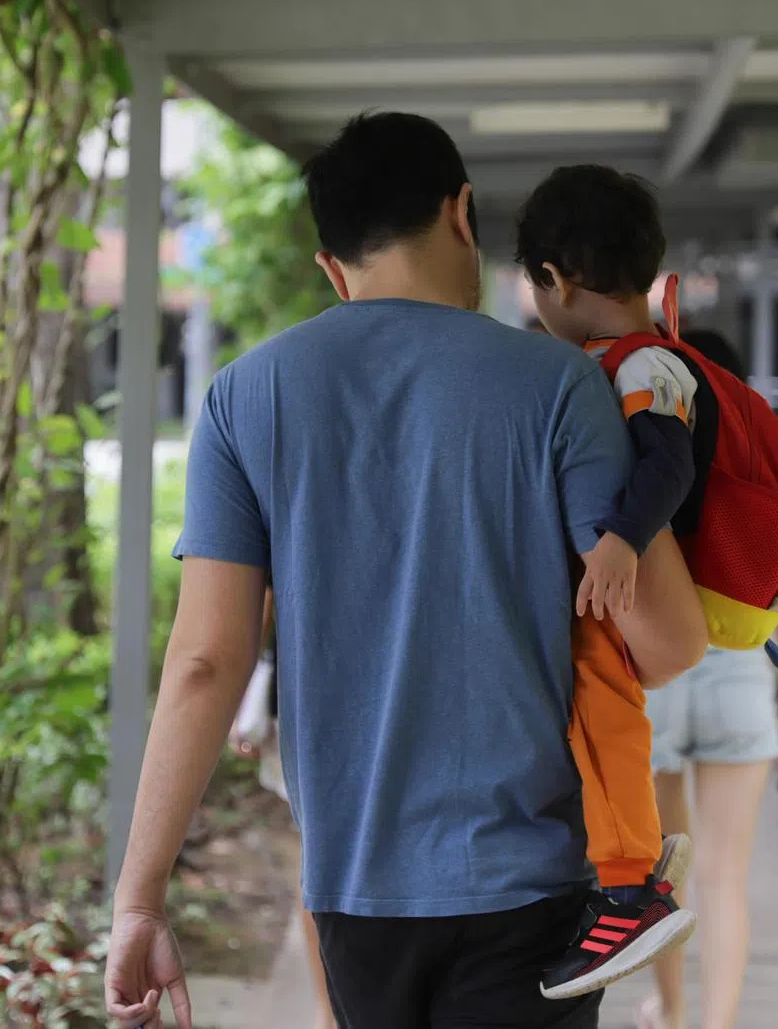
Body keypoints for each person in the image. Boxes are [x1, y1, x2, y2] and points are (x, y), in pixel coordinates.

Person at [103, 112, 708, 1029]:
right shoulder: (557, 385)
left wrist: (139, 900)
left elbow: (203, 664)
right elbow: (664, 645)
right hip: (530, 887)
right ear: (462, 212)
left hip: (354, 886)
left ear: (331, 267)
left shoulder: (242, 399)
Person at [516, 166, 703, 999]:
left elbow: (669, 462)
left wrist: (623, 541)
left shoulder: (639, 364)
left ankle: (632, 889)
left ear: (554, 278)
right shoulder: (615, 359)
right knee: (596, 710)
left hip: (620, 586)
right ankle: (632, 857)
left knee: (601, 706)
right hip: (610, 582)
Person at [636, 328, 778, 1029]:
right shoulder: (760, 470)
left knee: (667, 877)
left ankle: (673, 1012)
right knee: (724, 879)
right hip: (740, 684)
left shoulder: (642, 461)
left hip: (656, 682)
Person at [228, 589, 337, 1029]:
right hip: (312, 682)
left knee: (318, 849)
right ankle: (329, 1007)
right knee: (318, 852)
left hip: (305, 681)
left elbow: (259, 593)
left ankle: (329, 1009)